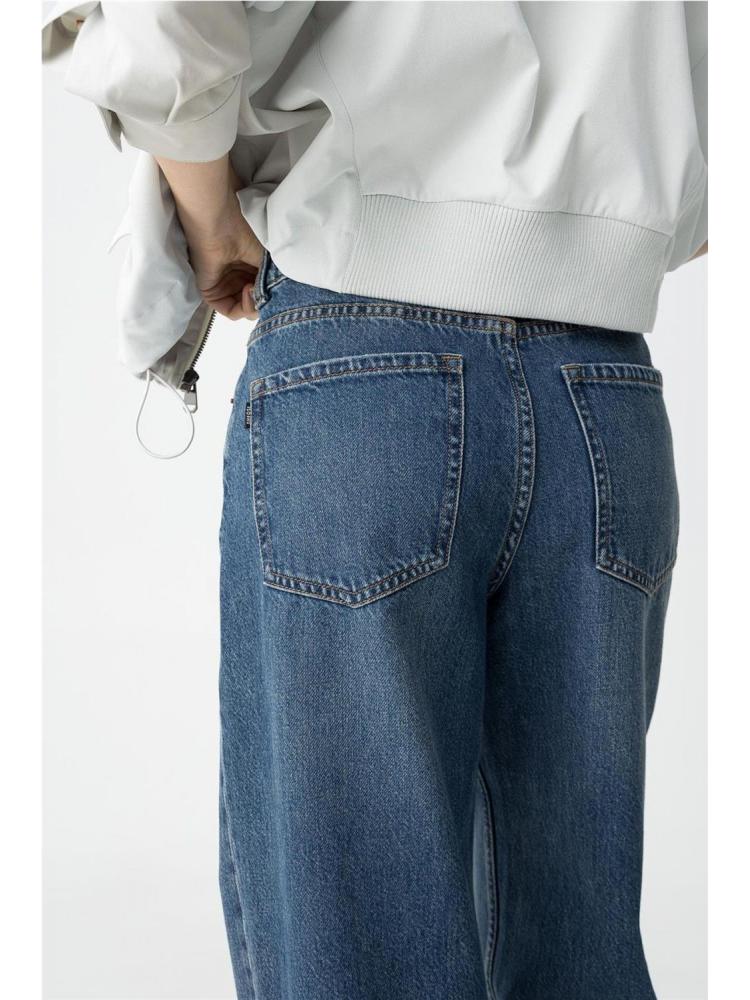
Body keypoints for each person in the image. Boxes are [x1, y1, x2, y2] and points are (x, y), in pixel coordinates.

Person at [52, 2, 707, 998]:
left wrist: (210, 217)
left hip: (362, 347)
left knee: (357, 956)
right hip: (602, 391)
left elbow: (168, 18)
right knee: (574, 952)